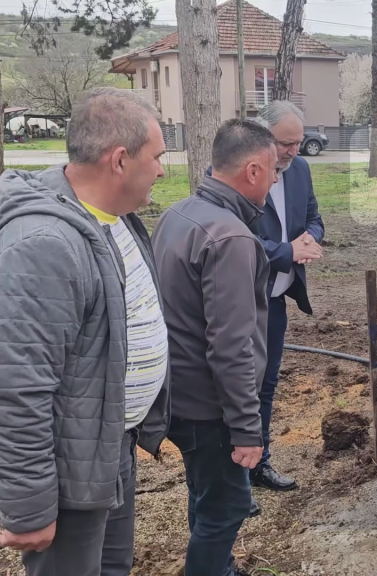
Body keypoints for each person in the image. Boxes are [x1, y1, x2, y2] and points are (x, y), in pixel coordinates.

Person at [0, 88, 169, 576]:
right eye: (157, 157)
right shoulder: (45, 246)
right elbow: (18, 386)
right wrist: (29, 506)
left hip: (107, 446)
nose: (162, 170)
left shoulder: (116, 222)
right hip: (67, 471)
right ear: (120, 160)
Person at [152, 119, 278, 576]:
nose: (276, 179)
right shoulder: (232, 239)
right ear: (252, 170)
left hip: (175, 394)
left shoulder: (178, 213)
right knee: (227, 507)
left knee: (207, 495)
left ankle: (218, 566)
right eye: (275, 170)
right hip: (211, 407)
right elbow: (231, 346)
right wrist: (247, 428)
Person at [247, 101, 325, 495]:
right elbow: (237, 242)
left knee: (267, 384)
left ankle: (258, 464)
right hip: (242, 302)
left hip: (275, 301)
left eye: (298, 142)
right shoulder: (239, 174)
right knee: (240, 386)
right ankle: (235, 479)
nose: (295, 151)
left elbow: (314, 217)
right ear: (262, 138)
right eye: (286, 143)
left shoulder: (300, 171)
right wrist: (286, 253)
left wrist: (311, 239)